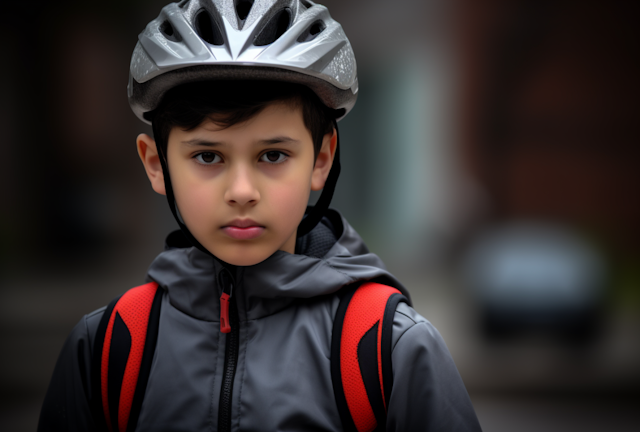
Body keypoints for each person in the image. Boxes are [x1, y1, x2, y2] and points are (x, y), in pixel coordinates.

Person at [39, 1, 482, 431]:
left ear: (322, 159)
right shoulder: (110, 348)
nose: (242, 192)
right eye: (208, 157)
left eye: (272, 154)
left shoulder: (388, 348)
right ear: (156, 164)